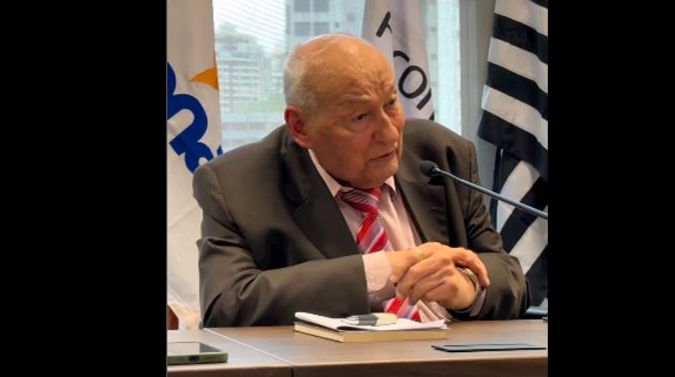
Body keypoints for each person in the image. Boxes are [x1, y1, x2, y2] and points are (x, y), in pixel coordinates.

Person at [193, 34, 528, 327]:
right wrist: (381, 271)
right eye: (359, 117)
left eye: (391, 103)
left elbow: (510, 278)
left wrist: (467, 287)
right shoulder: (238, 185)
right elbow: (227, 306)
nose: (390, 133)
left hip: (461, 366)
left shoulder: (441, 154)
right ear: (300, 127)